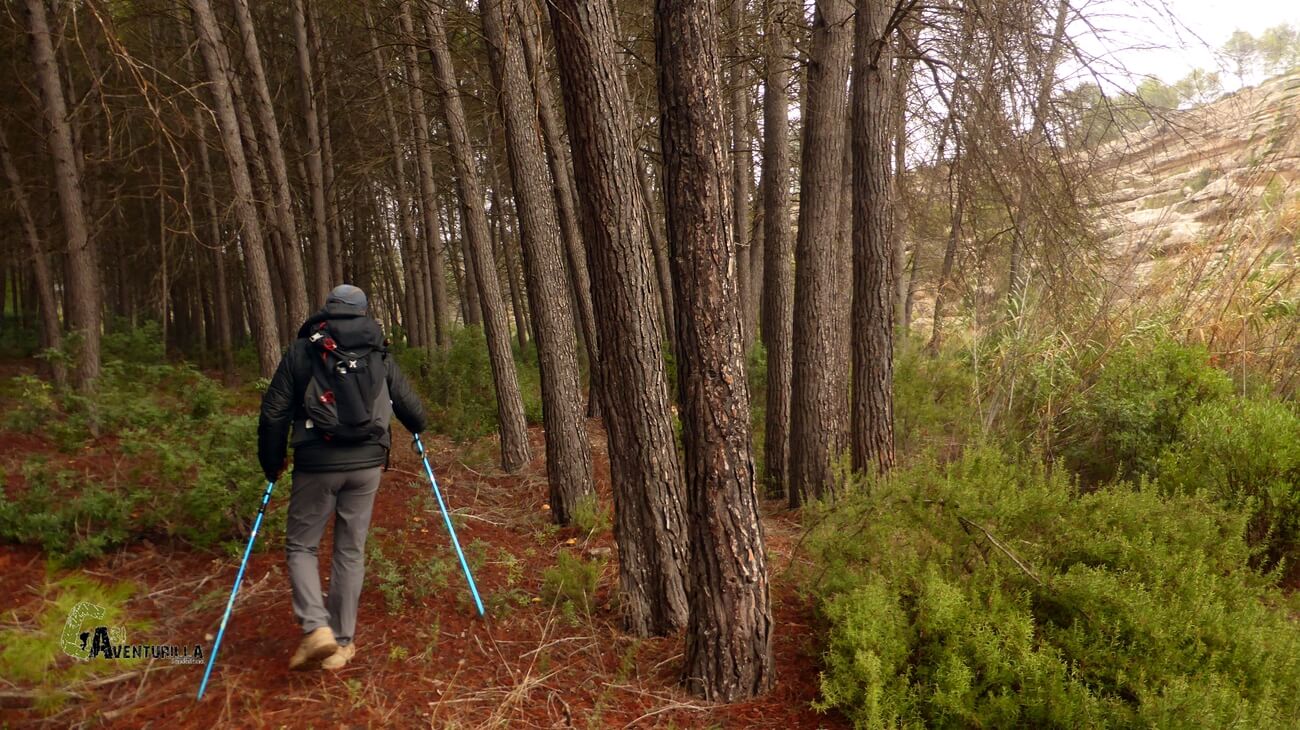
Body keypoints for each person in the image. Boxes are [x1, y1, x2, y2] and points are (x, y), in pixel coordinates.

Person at [257, 284, 427, 671]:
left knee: (302, 546)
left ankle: (316, 628)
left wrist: (271, 463)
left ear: (327, 310)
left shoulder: (303, 350)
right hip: (366, 464)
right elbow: (412, 410)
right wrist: (416, 426)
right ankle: (343, 643)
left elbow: (273, 413)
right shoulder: (378, 350)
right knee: (350, 550)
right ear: (363, 311)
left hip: (316, 462)